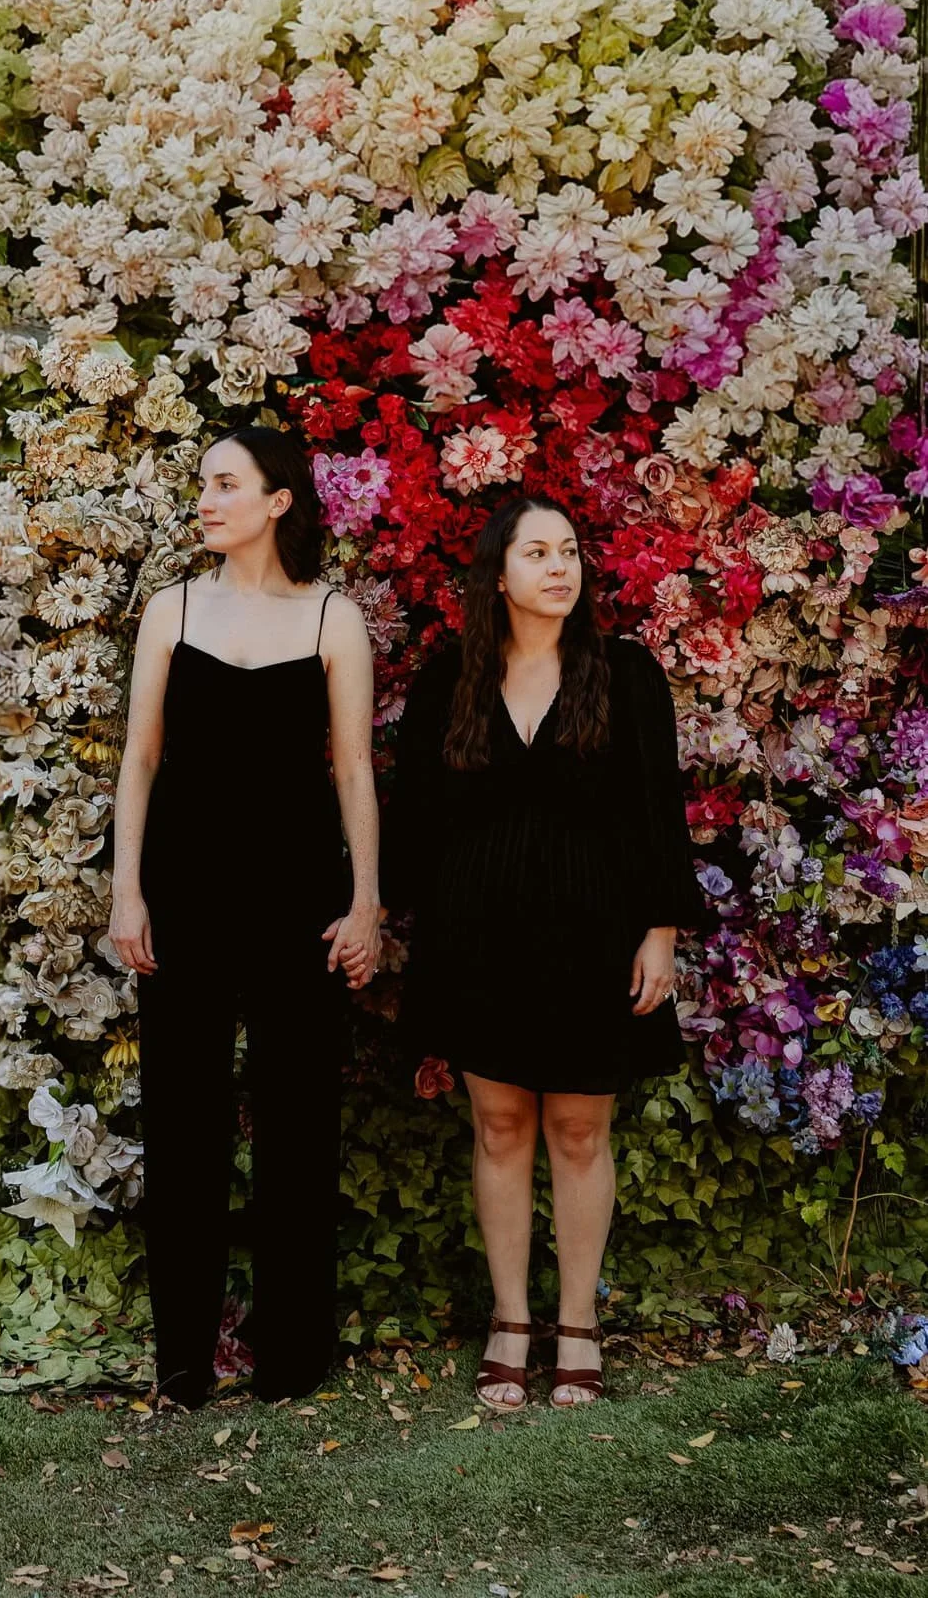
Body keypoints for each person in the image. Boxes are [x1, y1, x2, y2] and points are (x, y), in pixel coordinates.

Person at [382, 494, 706, 1412]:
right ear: (498, 573)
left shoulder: (627, 675)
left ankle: (577, 1327)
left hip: (593, 935)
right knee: (498, 1128)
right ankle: (510, 1322)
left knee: (575, 1130)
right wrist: (411, 924)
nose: (559, 567)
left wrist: (659, 931)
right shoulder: (451, 679)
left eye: (569, 551)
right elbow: (419, 816)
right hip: (479, 937)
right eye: (537, 553)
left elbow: (657, 813)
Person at [111, 424, 383, 1410]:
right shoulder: (169, 611)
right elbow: (140, 757)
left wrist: (364, 901)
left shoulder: (330, 621)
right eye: (200, 484)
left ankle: (290, 1356)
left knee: (296, 1125)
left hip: (299, 897)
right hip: (181, 892)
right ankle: (181, 1359)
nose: (205, 498)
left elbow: (352, 766)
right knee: (182, 1124)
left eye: (225, 483)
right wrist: (125, 889)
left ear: (277, 500)